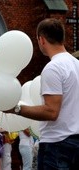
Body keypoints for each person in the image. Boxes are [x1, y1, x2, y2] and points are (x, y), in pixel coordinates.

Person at [15, 18, 79, 169]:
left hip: (57, 144)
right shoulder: (77, 65)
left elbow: (51, 112)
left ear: (41, 40)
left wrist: (16, 108)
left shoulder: (53, 67)